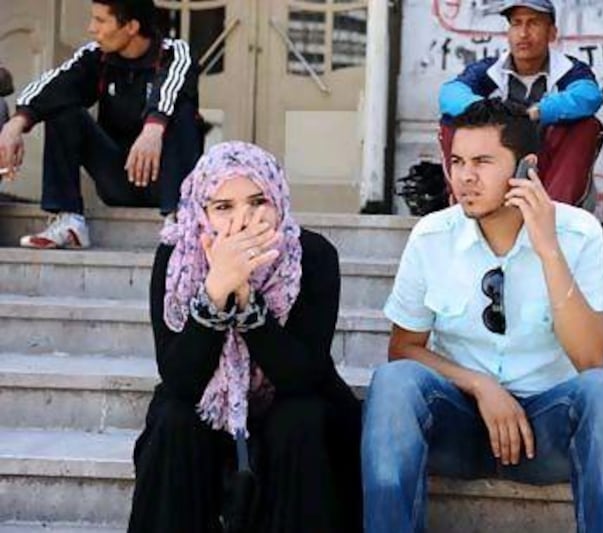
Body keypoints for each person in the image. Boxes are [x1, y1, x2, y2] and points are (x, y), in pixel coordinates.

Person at [361, 99, 603, 533]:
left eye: (482, 162)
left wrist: (548, 249)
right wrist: (480, 386)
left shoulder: (577, 232)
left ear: (526, 167)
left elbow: (591, 359)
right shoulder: (431, 236)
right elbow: (403, 349)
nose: (464, 177)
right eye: (457, 161)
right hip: (460, 428)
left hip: (544, 434)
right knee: (393, 383)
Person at [128, 141, 362, 533]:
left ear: (279, 200)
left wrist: (250, 307)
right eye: (224, 207)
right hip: (206, 405)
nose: (244, 221)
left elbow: (302, 375)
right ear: (201, 214)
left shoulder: (313, 255)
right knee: (174, 418)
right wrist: (215, 294)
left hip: (290, 402)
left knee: (301, 418)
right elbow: (181, 380)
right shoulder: (177, 259)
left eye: (258, 202)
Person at [0, 0, 202, 249]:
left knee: (182, 111)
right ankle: (69, 220)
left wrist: (153, 129)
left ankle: (180, 220)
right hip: (118, 179)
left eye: (100, 20)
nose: (91, 28)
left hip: (166, 183)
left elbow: (171, 88)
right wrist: (15, 124)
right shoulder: (98, 56)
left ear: (131, 26)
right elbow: (56, 83)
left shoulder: (174, 53)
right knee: (62, 108)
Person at [438, 0, 603, 208]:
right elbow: (450, 94)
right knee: (451, 122)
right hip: (496, 166)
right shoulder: (490, 70)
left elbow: (588, 95)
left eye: (533, 23)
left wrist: (538, 112)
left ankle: (556, 215)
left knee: (586, 125)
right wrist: (491, 113)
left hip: (548, 168)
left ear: (551, 33)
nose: (523, 33)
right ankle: (466, 205)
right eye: (516, 23)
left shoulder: (569, 70)